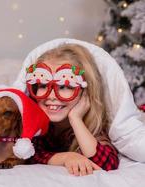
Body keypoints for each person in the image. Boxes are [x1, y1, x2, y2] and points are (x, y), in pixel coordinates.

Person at [25, 44, 119, 176]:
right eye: (43, 85)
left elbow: (107, 163)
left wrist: (76, 119)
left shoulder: (91, 124)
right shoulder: (35, 123)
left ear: (85, 92)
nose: (51, 96)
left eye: (65, 86)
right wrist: (66, 157)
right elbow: (26, 154)